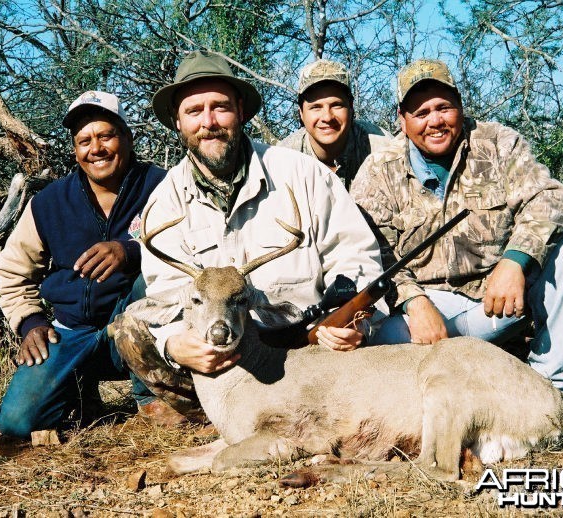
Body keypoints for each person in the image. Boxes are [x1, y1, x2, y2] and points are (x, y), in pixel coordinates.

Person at [114, 51, 385, 412]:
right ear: (178, 122)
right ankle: (196, 409)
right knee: (130, 327)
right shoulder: (163, 205)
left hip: (306, 351)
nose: (208, 122)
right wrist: (176, 344)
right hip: (220, 356)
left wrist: (354, 321)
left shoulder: (301, 174)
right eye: (194, 111)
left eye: (220, 107)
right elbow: (164, 293)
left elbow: (354, 255)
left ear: (241, 112)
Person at [350, 59, 563, 396]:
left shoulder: (499, 144)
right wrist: (413, 302)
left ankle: (555, 391)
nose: (435, 121)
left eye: (443, 107)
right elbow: (372, 251)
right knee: (368, 341)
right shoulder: (379, 170)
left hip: (498, 301)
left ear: (460, 106)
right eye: (421, 113)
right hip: (423, 313)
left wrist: (515, 261)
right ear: (402, 121)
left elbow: (551, 198)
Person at [0, 90, 170, 438]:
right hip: (72, 329)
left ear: (127, 137)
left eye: (106, 135)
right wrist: (31, 323)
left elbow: (192, 251)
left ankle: (151, 394)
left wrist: (131, 252)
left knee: (150, 284)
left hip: (138, 327)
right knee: (16, 422)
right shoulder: (49, 202)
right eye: (84, 140)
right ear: (76, 149)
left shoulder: (163, 185)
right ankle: (78, 386)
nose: (96, 148)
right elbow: (13, 270)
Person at [277, 59, 391, 189]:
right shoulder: (284, 160)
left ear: (351, 108)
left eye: (337, 105)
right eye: (316, 107)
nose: (327, 117)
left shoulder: (383, 149)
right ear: (301, 113)